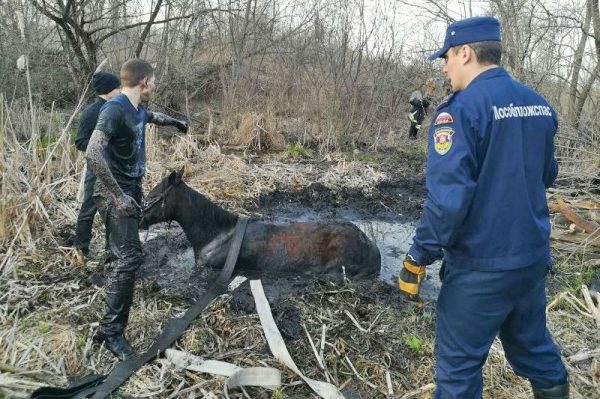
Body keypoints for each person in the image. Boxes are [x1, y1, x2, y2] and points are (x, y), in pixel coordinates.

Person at [397, 17, 568, 399]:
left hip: (480, 269)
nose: (444, 66)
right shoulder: (538, 105)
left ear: (465, 53)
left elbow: (448, 202)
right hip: (529, 263)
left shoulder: (457, 112)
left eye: (446, 57)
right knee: (536, 351)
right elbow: (548, 174)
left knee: (457, 372)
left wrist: (418, 256)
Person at [86, 59, 188, 360]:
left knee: (120, 253)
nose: (154, 86)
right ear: (144, 82)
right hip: (114, 192)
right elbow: (92, 153)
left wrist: (176, 123)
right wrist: (118, 197)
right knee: (130, 257)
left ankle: (108, 280)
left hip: (130, 188)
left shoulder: (137, 110)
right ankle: (111, 332)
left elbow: (151, 116)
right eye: (153, 82)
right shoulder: (114, 110)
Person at [73, 72, 121, 256]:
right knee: (89, 207)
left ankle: (115, 247)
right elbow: (80, 142)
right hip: (97, 167)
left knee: (117, 207)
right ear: (108, 90)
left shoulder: (117, 108)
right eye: (117, 88)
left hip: (117, 168)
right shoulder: (91, 112)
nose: (120, 91)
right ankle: (81, 248)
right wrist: (101, 146)